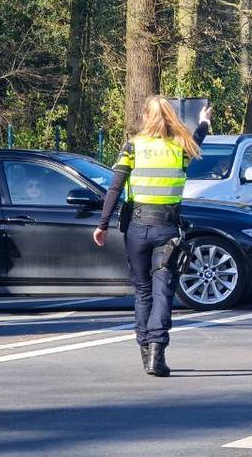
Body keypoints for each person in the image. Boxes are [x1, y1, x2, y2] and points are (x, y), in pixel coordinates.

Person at [93, 97, 209, 377]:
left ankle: (146, 350)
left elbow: (115, 188)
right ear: (171, 117)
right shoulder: (180, 147)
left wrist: (103, 224)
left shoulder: (133, 147)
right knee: (163, 291)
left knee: (142, 291)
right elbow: (198, 139)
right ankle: (157, 350)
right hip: (167, 229)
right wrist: (204, 122)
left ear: (146, 116)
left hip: (137, 227)